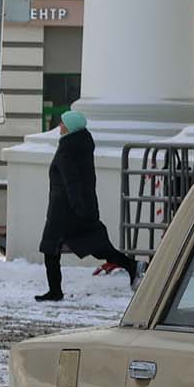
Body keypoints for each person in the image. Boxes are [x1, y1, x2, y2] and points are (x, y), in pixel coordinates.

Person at [37, 109, 137, 302]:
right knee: (97, 247)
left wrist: (77, 206)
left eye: (63, 123)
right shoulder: (80, 145)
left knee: (51, 249)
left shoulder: (67, 149)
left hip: (64, 210)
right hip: (76, 207)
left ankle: (55, 292)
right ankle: (131, 265)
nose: (60, 126)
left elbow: (71, 181)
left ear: (71, 127)